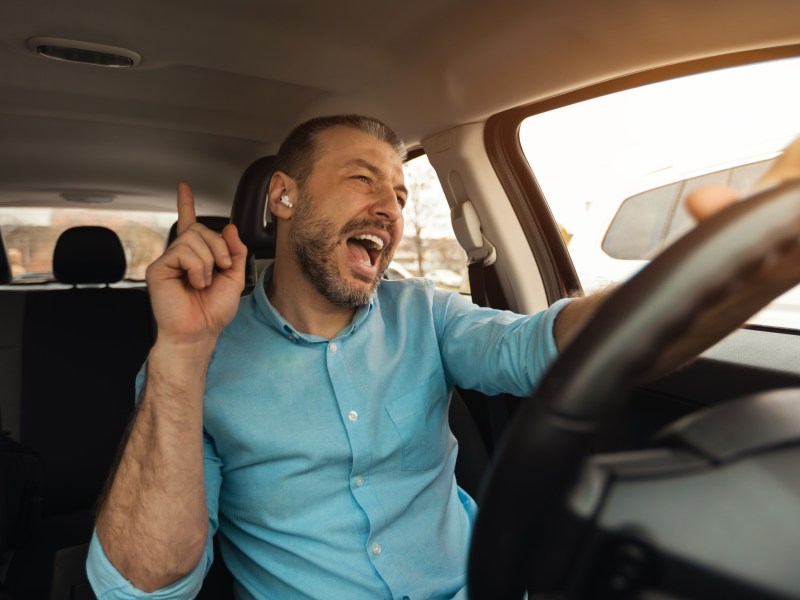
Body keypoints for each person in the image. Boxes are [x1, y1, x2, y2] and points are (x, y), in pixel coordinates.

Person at [86, 115, 800, 599]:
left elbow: (555, 347)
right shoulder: (193, 363)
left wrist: (736, 269)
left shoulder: (423, 311)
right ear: (283, 195)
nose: (391, 210)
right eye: (363, 179)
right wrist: (181, 352)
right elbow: (144, 586)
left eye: (400, 193)